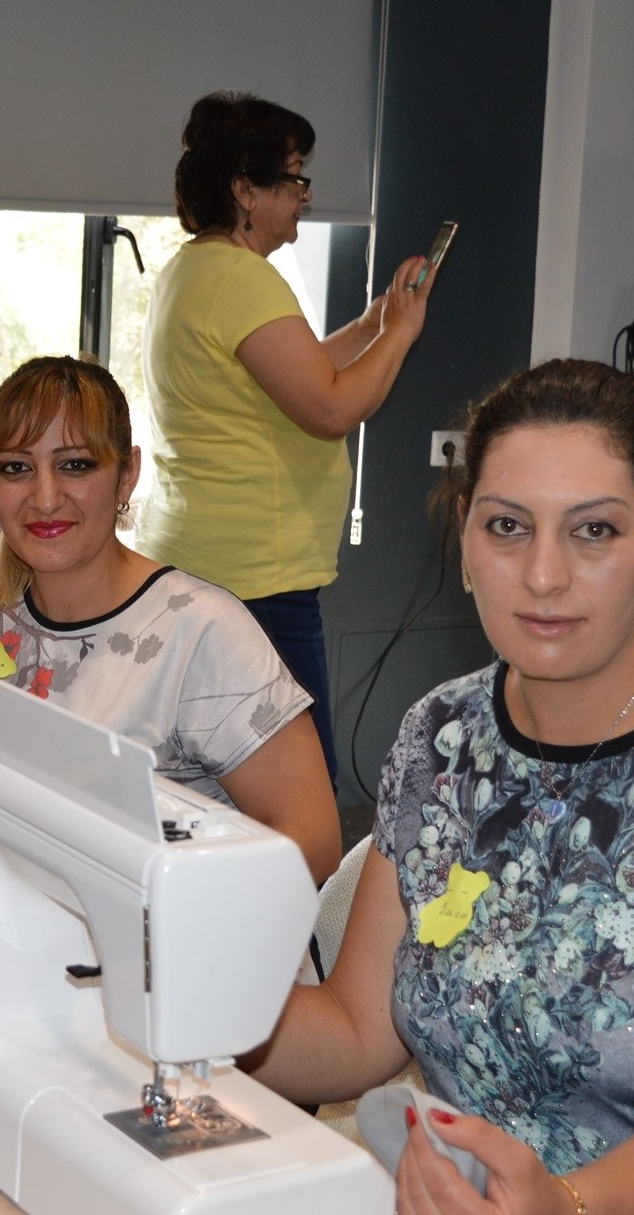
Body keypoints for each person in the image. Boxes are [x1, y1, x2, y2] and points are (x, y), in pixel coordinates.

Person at [250, 359, 634, 1213]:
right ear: (464, 533)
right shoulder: (440, 736)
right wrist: (177, 991)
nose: (542, 575)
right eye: (506, 526)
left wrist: (561, 1205)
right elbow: (353, 1033)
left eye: (593, 531)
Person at [0, 354, 341, 885]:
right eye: (16, 469)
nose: (45, 497)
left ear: (127, 476)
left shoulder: (200, 632)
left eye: (76, 465)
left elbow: (313, 844)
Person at [134, 90, 440, 792]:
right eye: (294, 176)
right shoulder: (242, 279)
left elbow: (299, 370)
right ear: (245, 187)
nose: (305, 194)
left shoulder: (196, 269)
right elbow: (329, 407)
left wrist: (373, 322)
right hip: (255, 578)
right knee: (297, 794)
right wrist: (402, 333)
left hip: (209, 559)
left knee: (219, 780)